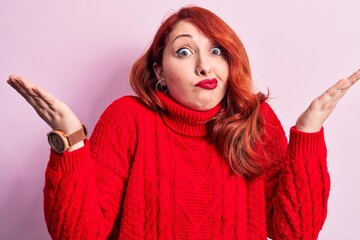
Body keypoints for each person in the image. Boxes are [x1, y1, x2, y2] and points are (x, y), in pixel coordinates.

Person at [6, 6, 359, 240]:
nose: (204, 66)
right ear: (159, 70)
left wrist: (308, 135)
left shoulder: (255, 121)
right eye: (184, 52)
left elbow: (295, 233)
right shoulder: (128, 119)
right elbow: (78, 235)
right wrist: (71, 141)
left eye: (217, 51)